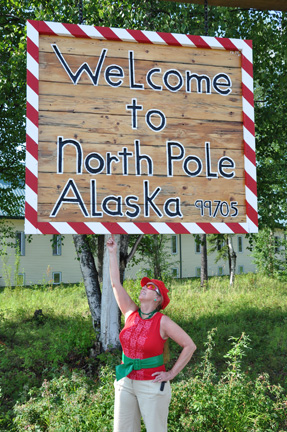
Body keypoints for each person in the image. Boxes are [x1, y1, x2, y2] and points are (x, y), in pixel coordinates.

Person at [106, 235, 196, 432]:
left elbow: (190, 345)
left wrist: (171, 373)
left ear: (158, 298)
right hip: (126, 381)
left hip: (151, 384)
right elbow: (115, 284)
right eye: (144, 286)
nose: (144, 288)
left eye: (150, 287)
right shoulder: (130, 312)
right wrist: (112, 253)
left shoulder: (162, 321)